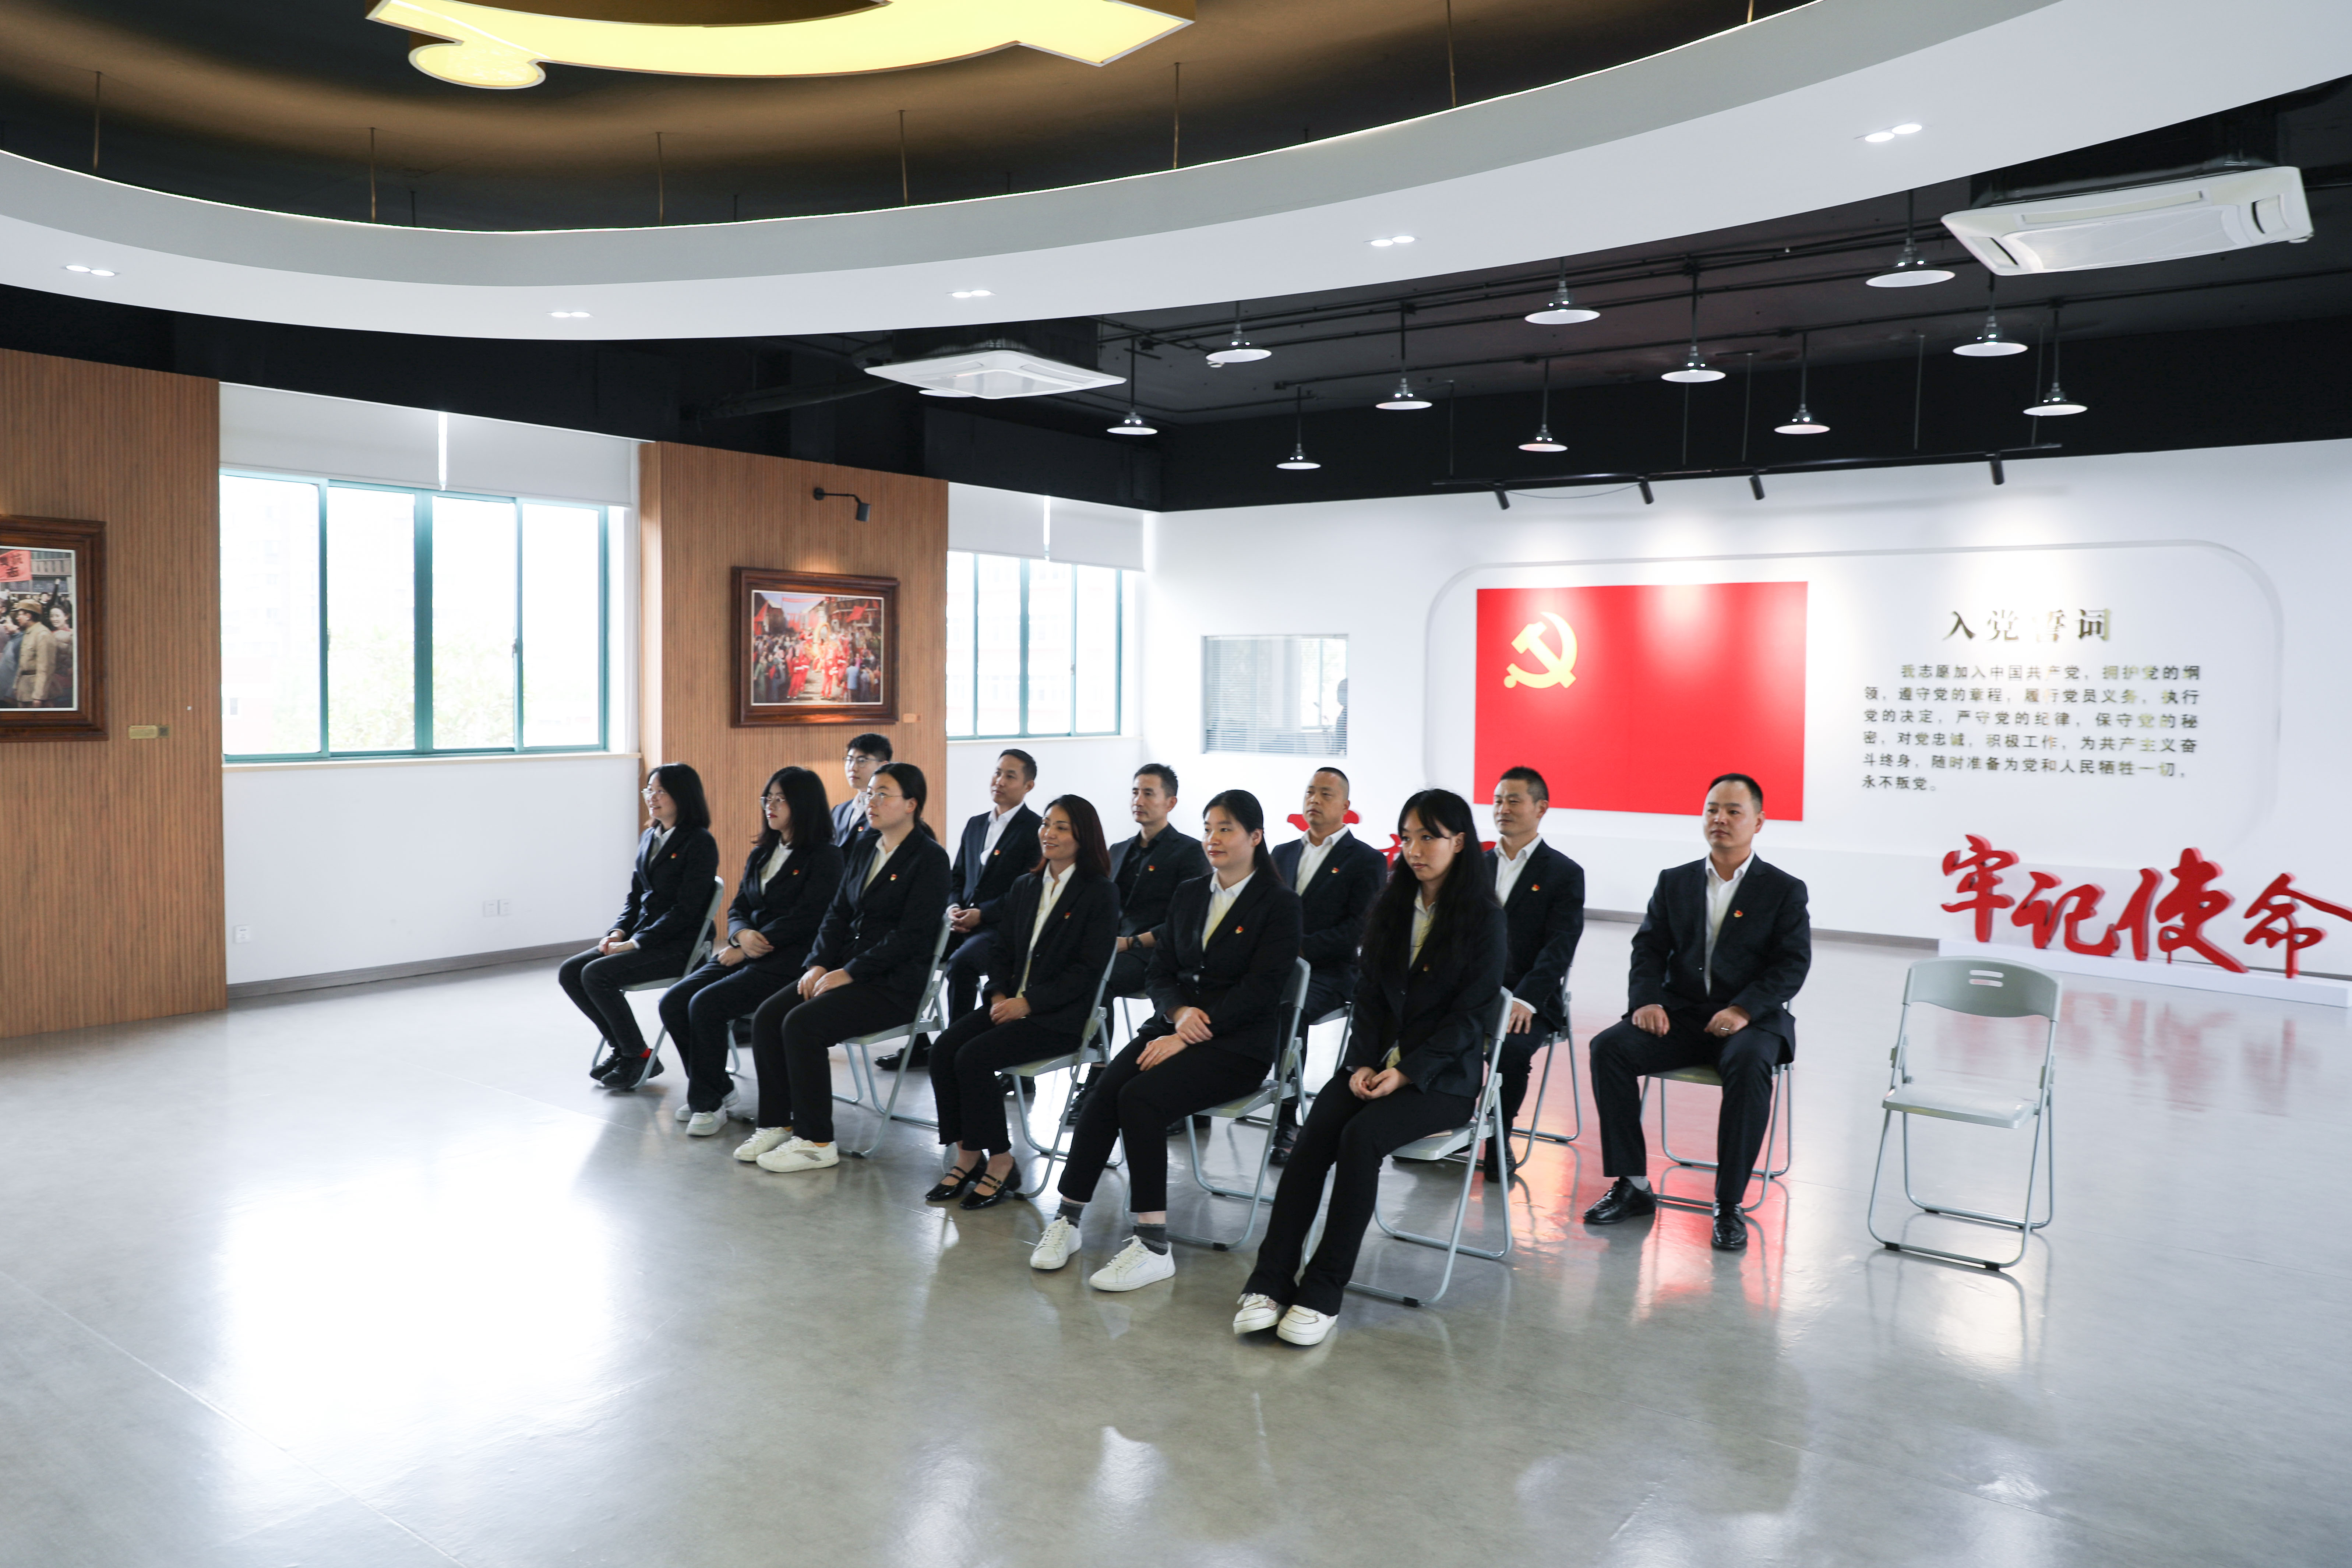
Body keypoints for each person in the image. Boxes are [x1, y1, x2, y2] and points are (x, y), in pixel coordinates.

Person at [1236, 788, 1506, 1345]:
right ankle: (1269, 1280)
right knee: (1314, 1135)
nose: (1414, 849)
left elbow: (1469, 1018)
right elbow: (1369, 997)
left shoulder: (1484, 919)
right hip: (1374, 1065)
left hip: (1440, 1081)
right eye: (1407, 837)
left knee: (1360, 1138)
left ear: (1459, 842)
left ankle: (1322, 1290)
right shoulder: (1391, 905)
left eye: (1428, 837)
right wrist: (1359, 1062)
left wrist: (1407, 1072)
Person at [1030, 789, 1303, 1293]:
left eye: (1225, 828)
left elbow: (1262, 989)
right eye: (1208, 827)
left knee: (1141, 1098)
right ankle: (1067, 1218)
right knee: (1104, 1092)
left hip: (1237, 1046)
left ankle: (1153, 1245)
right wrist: (1178, 1015)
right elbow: (1160, 972)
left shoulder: (1280, 903)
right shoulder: (1191, 892)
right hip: (1175, 1027)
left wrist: (1191, 1032)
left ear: (1255, 837)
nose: (1212, 838)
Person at [1583, 773, 1812, 1252]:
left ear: (1758, 822)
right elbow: (1648, 948)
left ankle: (1728, 1204)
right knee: (1609, 1048)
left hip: (1750, 1021)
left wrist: (1743, 1008)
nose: (1719, 819)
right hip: (1683, 1014)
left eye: (1733, 811)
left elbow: (1791, 965)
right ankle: (1632, 1183)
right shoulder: (1675, 881)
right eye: (1712, 809)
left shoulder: (1783, 889)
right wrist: (1646, 1000)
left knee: (1749, 1063)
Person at [734, 762, 953, 1173]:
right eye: (870, 793)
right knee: (768, 1016)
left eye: (883, 794)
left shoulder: (930, 859)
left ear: (911, 804)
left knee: (803, 1024)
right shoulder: (866, 845)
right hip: (845, 970)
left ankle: (816, 1140)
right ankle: (777, 1122)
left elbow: (911, 936)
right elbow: (836, 913)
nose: (872, 801)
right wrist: (818, 963)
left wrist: (850, 972)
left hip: (893, 985)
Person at [923, 795, 1120, 1210]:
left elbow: (1086, 971)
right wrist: (998, 993)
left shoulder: (1099, 892)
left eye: (1061, 827)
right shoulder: (1025, 885)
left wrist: (1027, 1003)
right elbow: (1001, 950)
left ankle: (1001, 1161)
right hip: (1010, 1003)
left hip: (1059, 1017)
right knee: (943, 1050)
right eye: (1046, 823)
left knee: (973, 1058)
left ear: (1083, 836)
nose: (1049, 833)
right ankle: (966, 1154)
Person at [654, 767, 844, 1136]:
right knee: (673, 1002)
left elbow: (809, 917)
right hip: (747, 949)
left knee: (706, 1004)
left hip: (789, 961)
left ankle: (707, 1103)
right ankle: (716, 1088)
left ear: (803, 804)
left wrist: (749, 946)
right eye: (767, 798)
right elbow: (739, 905)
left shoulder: (826, 856)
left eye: (780, 799)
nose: (770, 805)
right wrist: (740, 935)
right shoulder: (763, 852)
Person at [876, 749, 1040, 1069]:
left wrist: (983, 914)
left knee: (962, 964)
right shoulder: (976, 824)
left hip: (999, 928)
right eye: (997, 772)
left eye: (1010, 776)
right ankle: (919, 1043)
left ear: (1028, 786)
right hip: (961, 921)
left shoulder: (1034, 829)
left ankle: (956, 1046)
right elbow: (958, 877)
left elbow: (1025, 891)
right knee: (911, 948)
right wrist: (952, 906)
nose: (999, 781)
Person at [565, 764, 722, 1091]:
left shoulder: (700, 842)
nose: (652, 797)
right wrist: (618, 932)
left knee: (596, 974)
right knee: (571, 972)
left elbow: (685, 911)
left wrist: (636, 944)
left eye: (660, 791)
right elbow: (636, 897)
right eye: (649, 790)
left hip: (680, 946)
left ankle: (636, 1055)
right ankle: (627, 1050)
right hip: (645, 937)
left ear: (683, 795)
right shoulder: (650, 835)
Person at [1266, 766, 1385, 1164]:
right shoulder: (1282, 853)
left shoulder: (1365, 860)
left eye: (1326, 794)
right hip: (1277, 966)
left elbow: (1358, 928)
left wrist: (1297, 949)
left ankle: (1286, 1118)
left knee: (1289, 1007)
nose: (1314, 800)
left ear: (1346, 806)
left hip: (1330, 973)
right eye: (1310, 792)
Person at [1480, 766, 1586, 1178]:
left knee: (1511, 1049)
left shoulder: (1563, 873)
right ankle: (1433, 1123)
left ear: (1541, 808)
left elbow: (1560, 947)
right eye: (1497, 800)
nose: (1502, 809)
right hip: (1475, 992)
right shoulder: (1474, 866)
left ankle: (1497, 1138)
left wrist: (1525, 999)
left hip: (1529, 996)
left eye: (1513, 800)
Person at [1104, 765, 1210, 999]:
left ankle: (1094, 1027)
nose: (1138, 801)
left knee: (1099, 979)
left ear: (1170, 803)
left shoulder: (1190, 852)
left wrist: (1131, 943)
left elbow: (1187, 919)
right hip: (1112, 945)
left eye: (1148, 794)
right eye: (1135, 792)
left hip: (1155, 951)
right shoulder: (1118, 850)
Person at [833, 732, 891, 846]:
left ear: (883, 766)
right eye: (849, 760)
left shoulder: (889, 811)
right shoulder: (839, 811)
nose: (853, 768)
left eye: (862, 761)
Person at [8, 599, 54, 708]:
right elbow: (23, 664)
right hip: (24, 691)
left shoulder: (43, 635)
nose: (18, 618)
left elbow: (45, 669)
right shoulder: (29, 633)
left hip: (35, 693)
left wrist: (39, 696)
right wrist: (16, 686)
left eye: (20, 615)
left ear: (28, 616)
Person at [41, 604, 73, 707]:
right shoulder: (49, 635)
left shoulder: (74, 634)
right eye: (52, 616)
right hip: (54, 680)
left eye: (58, 616)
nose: (54, 619)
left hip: (69, 681)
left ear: (67, 616)